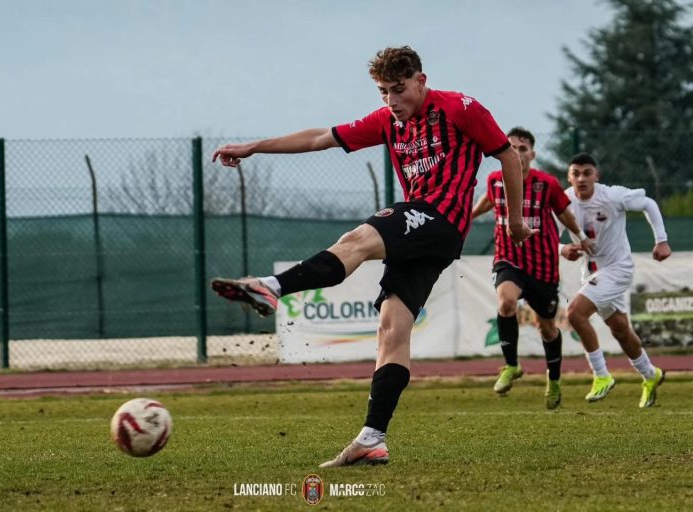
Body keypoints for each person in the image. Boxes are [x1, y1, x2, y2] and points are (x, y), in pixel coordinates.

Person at [210, 46, 536, 467]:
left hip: (439, 220)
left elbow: (506, 155)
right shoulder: (386, 121)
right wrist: (254, 146)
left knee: (357, 240)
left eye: (399, 90)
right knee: (392, 330)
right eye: (383, 92)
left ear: (421, 80)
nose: (391, 101)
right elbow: (317, 138)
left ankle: (272, 288)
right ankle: (372, 438)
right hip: (422, 233)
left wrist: (512, 220)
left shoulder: (461, 108)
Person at [471, 127, 592, 409]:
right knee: (506, 303)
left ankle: (555, 379)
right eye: (511, 147)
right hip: (508, 259)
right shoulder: (494, 180)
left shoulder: (546, 184)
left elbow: (566, 215)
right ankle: (511, 365)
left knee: (547, 328)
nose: (517, 153)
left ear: (532, 154)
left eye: (522, 148)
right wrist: (463, 218)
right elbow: (486, 202)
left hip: (543, 265)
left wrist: (582, 239)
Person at [562, 152, 671, 408]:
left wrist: (662, 240)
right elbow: (548, 236)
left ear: (596, 176)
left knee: (575, 314)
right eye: (575, 174)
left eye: (587, 173)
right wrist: (562, 249)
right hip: (590, 272)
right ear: (569, 177)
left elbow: (649, 204)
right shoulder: (563, 202)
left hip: (617, 269)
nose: (581, 179)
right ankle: (650, 374)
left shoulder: (611, 195)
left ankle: (601, 375)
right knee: (620, 329)